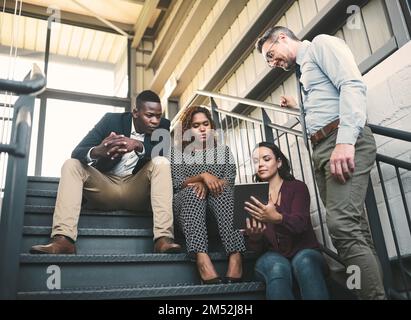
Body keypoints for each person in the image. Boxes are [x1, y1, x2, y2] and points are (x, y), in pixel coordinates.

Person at [255, 26, 385, 299]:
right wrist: (299, 109)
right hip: (323, 148)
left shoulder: (321, 45)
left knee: (341, 226)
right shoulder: (302, 72)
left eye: (271, 54)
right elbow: (327, 105)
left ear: (281, 37)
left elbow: (351, 84)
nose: (272, 62)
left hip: (341, 141)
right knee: (353, 228)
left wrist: (346, 141)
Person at [30, 90, 181, 254]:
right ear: (136, 113)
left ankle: (163, 240)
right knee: (71, 164)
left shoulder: (163, 126)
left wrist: (138, 145)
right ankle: (63, 240)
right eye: (150, 115)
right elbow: (77, 151)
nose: (155, 121)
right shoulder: (110, 121)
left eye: (158, 116)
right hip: (106, 187)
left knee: (162, 163)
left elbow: (161, 154)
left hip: (137, 190)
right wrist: (98, 151)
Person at [244, 142, 329, 300]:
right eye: (256, 161)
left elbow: (300, 224)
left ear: (279, 162)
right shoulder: (253, 198)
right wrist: (254, 238)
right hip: (271, 255)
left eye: (266, 159)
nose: (260, 164)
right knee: (276, 267)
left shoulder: (298, 187)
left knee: (305, 262)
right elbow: (255, 248)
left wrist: (277, 217)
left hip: (304, 251)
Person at [171, 106, 245, 284]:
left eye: (206, 123)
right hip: (189, 213)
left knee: (224, 191)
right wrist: (202, 177)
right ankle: (202, 258)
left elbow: (230, 180)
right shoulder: (176, 152)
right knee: (192, 191)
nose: (202, 129)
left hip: (219, 215)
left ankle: (236, 257)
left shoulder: (224, 151)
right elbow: (176, 183)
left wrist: (211, 185)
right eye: (196, 125)